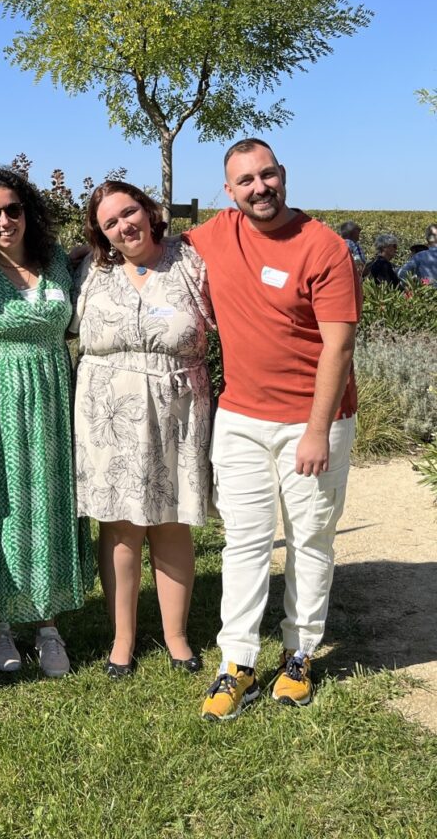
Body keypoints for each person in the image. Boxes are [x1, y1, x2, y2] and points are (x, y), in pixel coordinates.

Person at [185, 138, 361, 721]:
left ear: (282, 175)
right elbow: (151, 247)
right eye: (245, 181)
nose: (259, 188)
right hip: (239, 420)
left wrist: (314, 431)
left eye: (267, 176)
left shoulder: (324, 247)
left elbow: (338, 343)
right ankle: (237, 662)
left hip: (315, 421)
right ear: (229, 191)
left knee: (310, 539)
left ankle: (299, 653)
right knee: (245, 542)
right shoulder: (215, 235)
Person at [0, 167, 88, 678]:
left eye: (13, 209)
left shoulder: (56, 261)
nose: (4, 221)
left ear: (28, 211)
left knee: (47, 503)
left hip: (53, 395)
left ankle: (48, 625)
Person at [70, 182, 212, 678]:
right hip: (106, 411)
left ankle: (176, 635)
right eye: (109, 223)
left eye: (129, 212)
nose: (123, 226)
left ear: (149, 212)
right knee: (121, 525)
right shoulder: (87, 270)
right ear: (101, 234)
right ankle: (122, 639)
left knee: (171, 520)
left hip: (178, 407)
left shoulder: (192, 260)